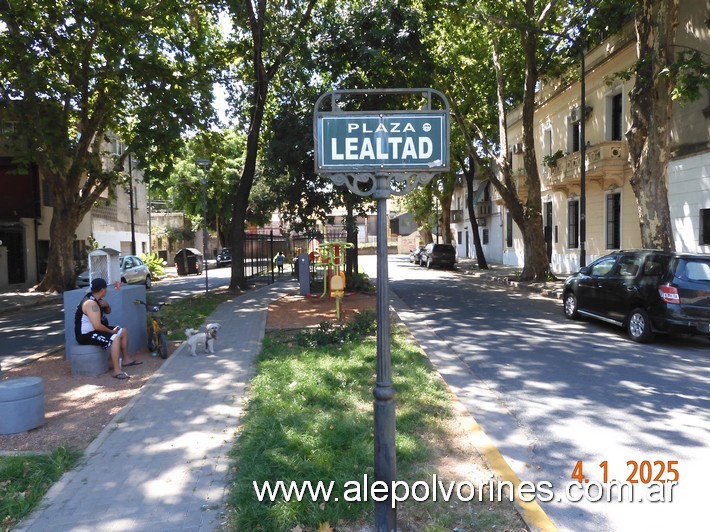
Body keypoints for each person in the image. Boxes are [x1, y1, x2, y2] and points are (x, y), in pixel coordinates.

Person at [74, 278, 141, 380]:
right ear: (102, 290)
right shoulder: (91, 303)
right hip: (85, 335)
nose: (107, 290)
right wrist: (111, 332)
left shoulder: (96, 300)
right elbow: (97, 326)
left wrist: (107, 305)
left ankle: (126, 360)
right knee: (114, 338)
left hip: (95, 330)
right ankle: (116, 371)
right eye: (106, 288)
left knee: (123, 331)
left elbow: (108, 312)